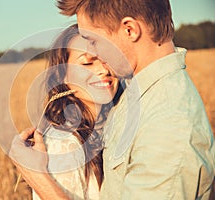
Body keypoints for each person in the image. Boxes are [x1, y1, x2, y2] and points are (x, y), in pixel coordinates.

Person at [11, 0, 215, 199]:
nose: (97, 57)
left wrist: (38, 177)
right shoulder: (137, 92)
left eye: (93, 41)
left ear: (130, 30)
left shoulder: (167, 126)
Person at [10, 24, 122, 199]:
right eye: (87, 63)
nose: (103, 70)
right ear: (62, 76)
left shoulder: (111, 127)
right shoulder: (62, 145)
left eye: (106, 60)